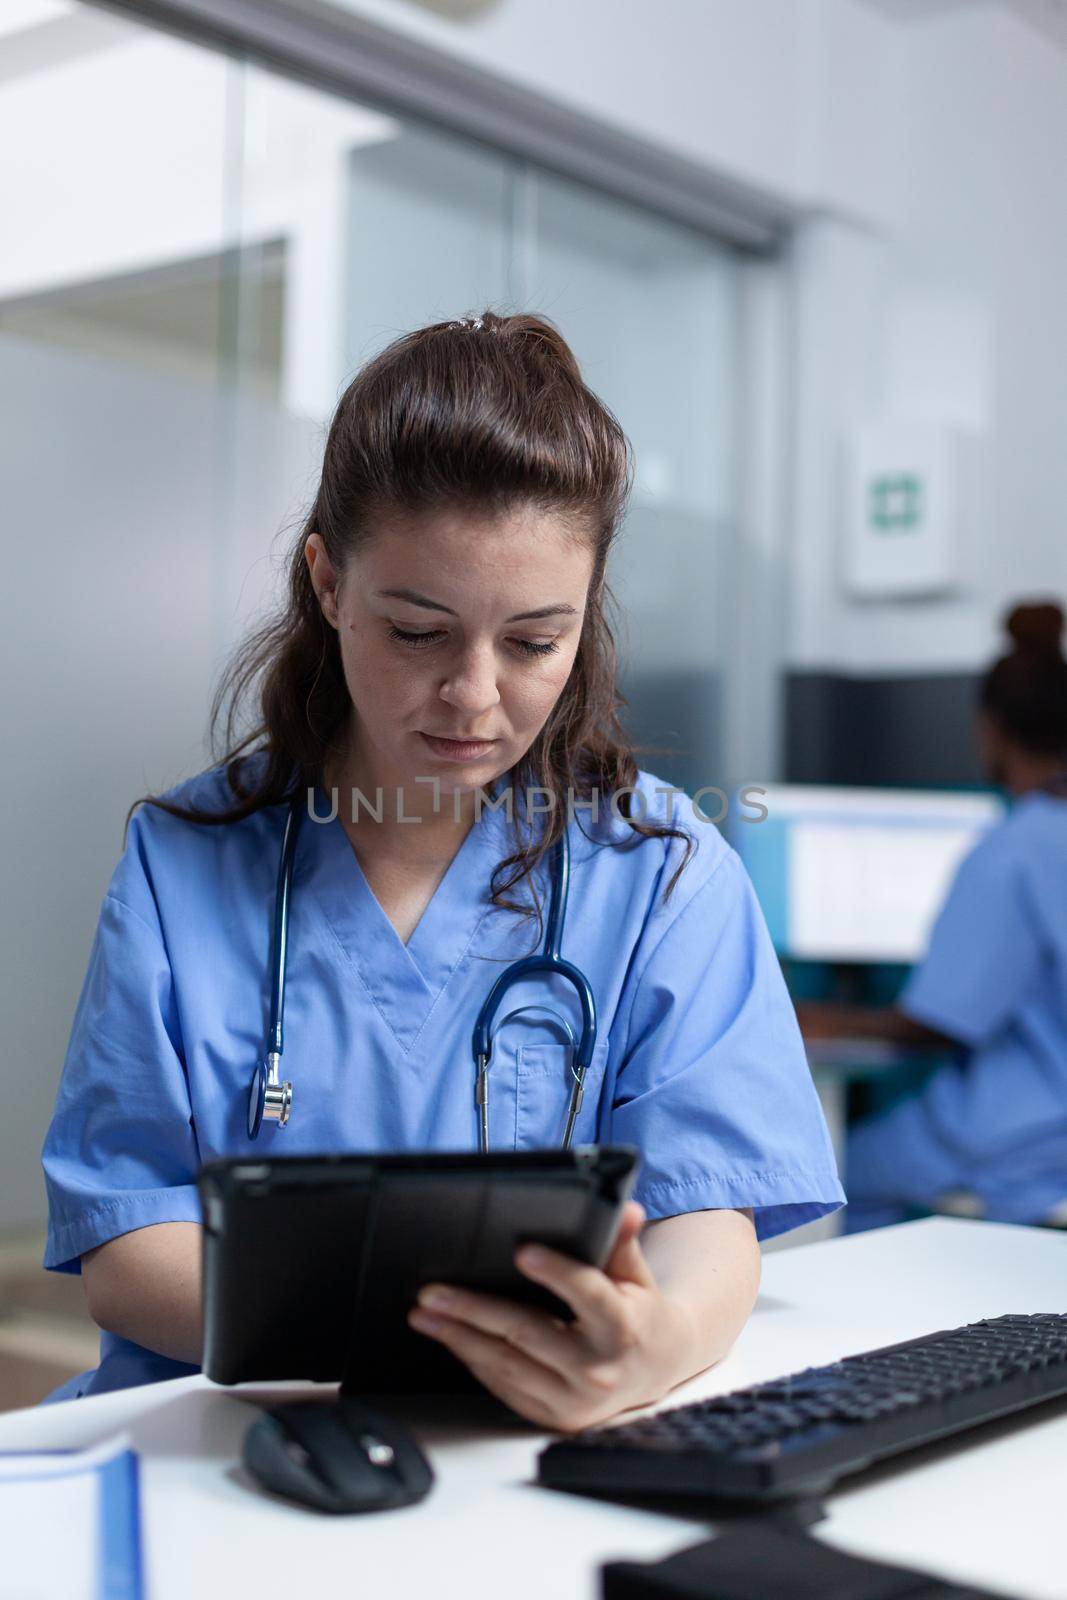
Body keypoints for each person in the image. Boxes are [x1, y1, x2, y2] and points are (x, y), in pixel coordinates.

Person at [42, 311, 844, 1421]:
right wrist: (435, 1342)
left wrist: (651, 1346)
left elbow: (707, 1215)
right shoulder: (186, 863)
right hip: (221, 1446)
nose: (474, 695)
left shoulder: (660, 875)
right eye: (418, 631)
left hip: (518, 1458)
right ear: (327, 583)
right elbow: (128, 1243)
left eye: (531, 641)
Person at [798, 601, 1067, 1233]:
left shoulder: (1015, 851)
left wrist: (800, 1017)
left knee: (843, 1173)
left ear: (991, 730)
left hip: (1031, 1127)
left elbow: (935, 1024)